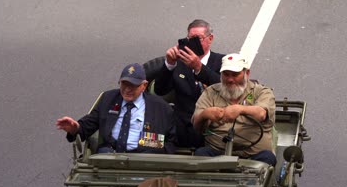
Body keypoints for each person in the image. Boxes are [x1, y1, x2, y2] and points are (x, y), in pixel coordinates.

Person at [56, 63, 177, 154]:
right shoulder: (108, 99)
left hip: (144, 160)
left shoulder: (160, 107)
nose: (127, 89)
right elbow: (88, 125)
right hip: (111, 156)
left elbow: (172, 142)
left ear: (144, 86)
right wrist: (74, 127)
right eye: (124, 84)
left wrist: (154, 153)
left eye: (133, 86)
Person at [191, 53, 277, 166]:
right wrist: (205, 114)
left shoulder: (262, 92)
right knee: (200, 155)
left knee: (267, 158)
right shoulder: (210, 92)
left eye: (235, 75)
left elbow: (261, 113)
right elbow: (196, 125)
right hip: (218, 153)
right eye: (226, 75)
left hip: (253, 155)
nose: (230, 79)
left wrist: (240, 109)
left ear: (247, 73)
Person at [154, 19, 224, 148]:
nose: (194, 43)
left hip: (213, 126)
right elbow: (160, 90)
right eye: (190, 39)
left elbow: (224, 87)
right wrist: (170, 64)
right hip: (182, 126)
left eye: (198, 38)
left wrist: (199, 68)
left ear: (210, 38)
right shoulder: (180, 63)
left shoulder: (222, 62)